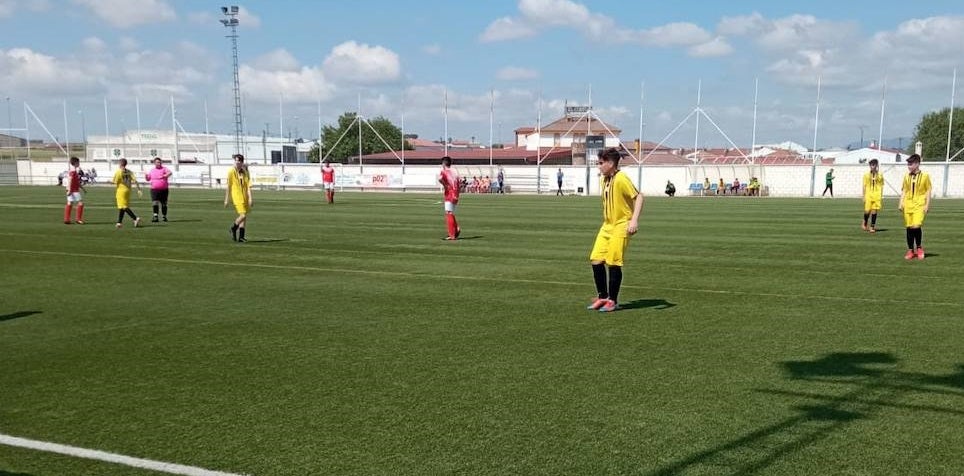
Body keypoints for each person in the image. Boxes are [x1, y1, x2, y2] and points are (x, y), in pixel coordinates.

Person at [587, 148, 643, 313]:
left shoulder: (621, 178)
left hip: (621, 224)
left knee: (613, 261)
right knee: (596, 259)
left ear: (611, 163)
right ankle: (603, 297)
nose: (599, 166)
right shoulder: (604, 179)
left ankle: (613, 300)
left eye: (601, 163)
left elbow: (639, 196)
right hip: (607, 225)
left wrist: (634, 220)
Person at [898, 154, 931, 260]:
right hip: (908, 205)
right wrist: (901, 202)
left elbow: (928, 190)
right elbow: (904, 190)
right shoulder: (906, 176)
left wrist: (927, 204)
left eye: (910, 164)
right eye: (908, 164)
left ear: (917, 164)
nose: (909, 166)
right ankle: (910, 250)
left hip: (919, 205)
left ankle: (919, 248)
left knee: (916, 226)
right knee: (909, 227)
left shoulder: (925, 176)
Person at [225, 154, 253, 242]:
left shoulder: (245, 172)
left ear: (242, 162)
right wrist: (226, 199)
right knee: (243, 215)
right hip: (236, 196)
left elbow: (248, 186)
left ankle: (241, 237)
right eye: (236, 161)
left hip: (244, 196)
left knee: (244, 217)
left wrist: (250, 198)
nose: (237, 163)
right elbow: (228, 186)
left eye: (239, 161)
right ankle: (233, 228)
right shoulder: (231, 172)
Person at [112, 158, 143, 228]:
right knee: (122, 207)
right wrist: (139, 189)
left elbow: (115, 182)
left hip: (121, 191)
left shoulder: (119, 172)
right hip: (128, 190)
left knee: (124, 206)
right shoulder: (129, 171)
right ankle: (119, 222)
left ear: (120, 164)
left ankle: (135, 218)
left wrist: (108, 181)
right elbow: (135, 181)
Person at [438, 156, 461, 240]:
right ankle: (456, 228)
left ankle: (452, 234)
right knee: (450, 212)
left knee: (448, 213)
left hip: (449, 194)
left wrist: (445, 185)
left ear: (444, 164)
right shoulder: (455, 172)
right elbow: (459, 183)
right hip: (456, 194)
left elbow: (439, 179)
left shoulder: (444, 172)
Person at [145, 157, 172, 222]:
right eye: (157, 162)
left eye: (159, 162)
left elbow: (170, 173)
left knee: (164, 203)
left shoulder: (164, 169)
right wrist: (146, 176)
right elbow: (148, 179)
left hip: (164, 189)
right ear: (154, 163)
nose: (158, 163)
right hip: (154, 189)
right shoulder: (152, 170)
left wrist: (164, 176)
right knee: (155, 202)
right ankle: (155, 216)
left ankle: (164, 216)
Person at [861, 159, 884, 233]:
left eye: (874, 165)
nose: (872, 166)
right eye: (871, 165)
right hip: (868, 195)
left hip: (876, 195)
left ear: (876, 165)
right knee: (867, 211)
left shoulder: (880, 175)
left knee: (874, 211)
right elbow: (864, 186)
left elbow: (881, 185)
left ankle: (872, 226)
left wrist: (880, 195)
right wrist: (863, 196)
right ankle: (865, 221)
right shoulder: (866, 175)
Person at [63, 156, 85, 224]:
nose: (79, 163)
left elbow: (76, 182)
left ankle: (67, 219)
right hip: (74, 190)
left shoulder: (73, 170)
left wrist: (82, 188)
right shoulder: (73, 171)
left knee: (70, 203)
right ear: (75, 163)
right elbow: (70, 180)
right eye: (78, 162)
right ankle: (78, 219)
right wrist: (70, 189)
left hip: (71, 189)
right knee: (80, 203)